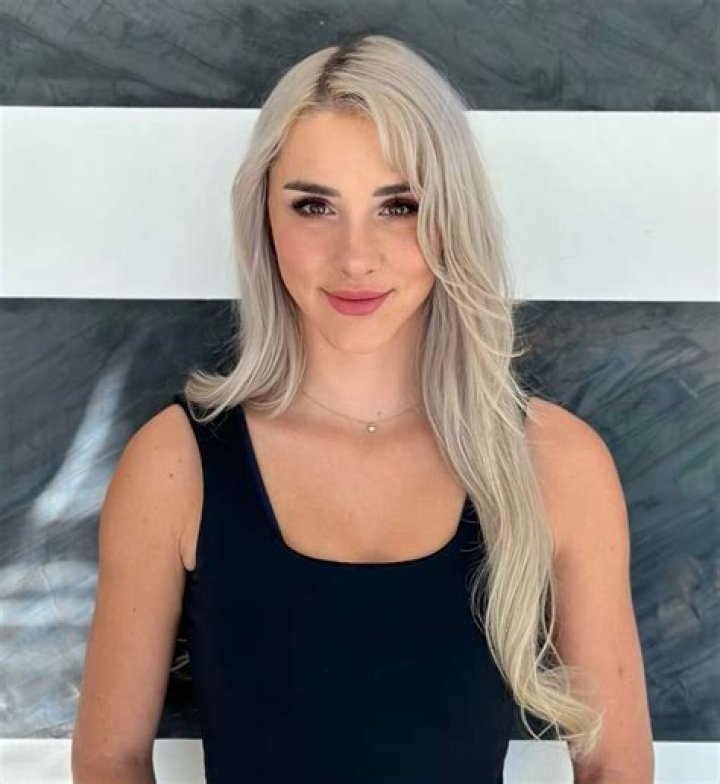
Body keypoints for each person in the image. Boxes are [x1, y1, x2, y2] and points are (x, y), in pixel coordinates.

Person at [71, 34, 654, 784]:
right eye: (314, 206)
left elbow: (615, 766)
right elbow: (109, 759)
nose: (355, 256)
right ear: (263, 217)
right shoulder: (175, 465)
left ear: (451, 217)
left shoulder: (556, 463)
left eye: (399, 205)